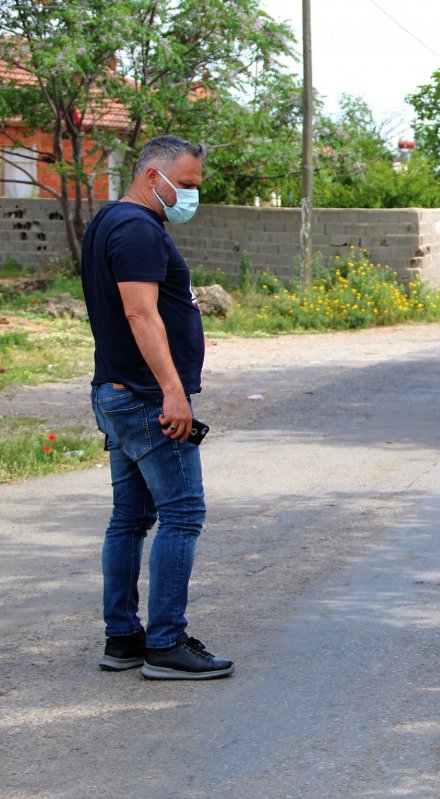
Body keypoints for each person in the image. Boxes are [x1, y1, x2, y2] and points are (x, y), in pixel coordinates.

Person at [81, 135, 233, 680]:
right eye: (185, 185)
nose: (191, 195)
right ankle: (166, 642)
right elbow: (141, 315)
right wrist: (172, 391)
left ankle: (123, 638)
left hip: (120, 392)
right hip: (146, 398)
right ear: (152, 176)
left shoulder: (110, 221)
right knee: (182, 514)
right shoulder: (138, 229)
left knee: (130, 518)